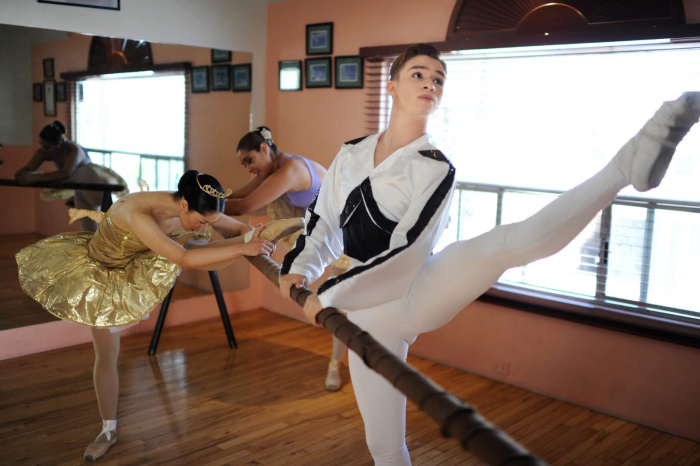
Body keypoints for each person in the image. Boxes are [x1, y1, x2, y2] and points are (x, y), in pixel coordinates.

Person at [278, 43, 700, 465]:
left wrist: (330, 296)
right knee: (384, 446)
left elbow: (409, 251)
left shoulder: (435, 167)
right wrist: (299, 270)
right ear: (391, 86)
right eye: (419, 74)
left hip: (414, 291)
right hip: (367, 317)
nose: (430, 84)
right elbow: (323, 224)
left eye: (439, 79)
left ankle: (626, 166)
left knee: (505, 244)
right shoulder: (350, 153)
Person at [16, 170, 301, 461]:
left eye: (209, 221)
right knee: (106, 355)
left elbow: (231, 228)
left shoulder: (188, 203)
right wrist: (244, 246)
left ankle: (266, 233)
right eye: (203, 221)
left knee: (197, 244)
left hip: (142, 257)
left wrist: (253, 236)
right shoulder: (137, 213)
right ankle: (108, 430)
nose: (206, 226)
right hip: (104, 276)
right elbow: (184, 259)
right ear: (184, 205)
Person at [226, 126, 350, 391]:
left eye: (249, 160)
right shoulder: (275, 169)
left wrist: (200, 206)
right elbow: (239, 195)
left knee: (341, 303)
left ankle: (337, 364)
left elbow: (246, 206)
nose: (249, 169)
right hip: (323, 233)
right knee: (340, 303)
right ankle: (337, 363)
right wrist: (206, 195)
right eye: (244, 165)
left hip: (343, 233)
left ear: (264, 149)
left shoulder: (290, 169)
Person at [14, 121, 128, 232]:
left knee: (80, 171)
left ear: (58, 144)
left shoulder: (73, 150)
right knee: (89, 235)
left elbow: (66, 174)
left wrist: (34, 177)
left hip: (94, 189)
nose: (43, 149)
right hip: (81, 192)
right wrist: (22, 176)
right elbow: (26, 170)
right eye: (41, 145)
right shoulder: (44, 151)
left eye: (46, 146)